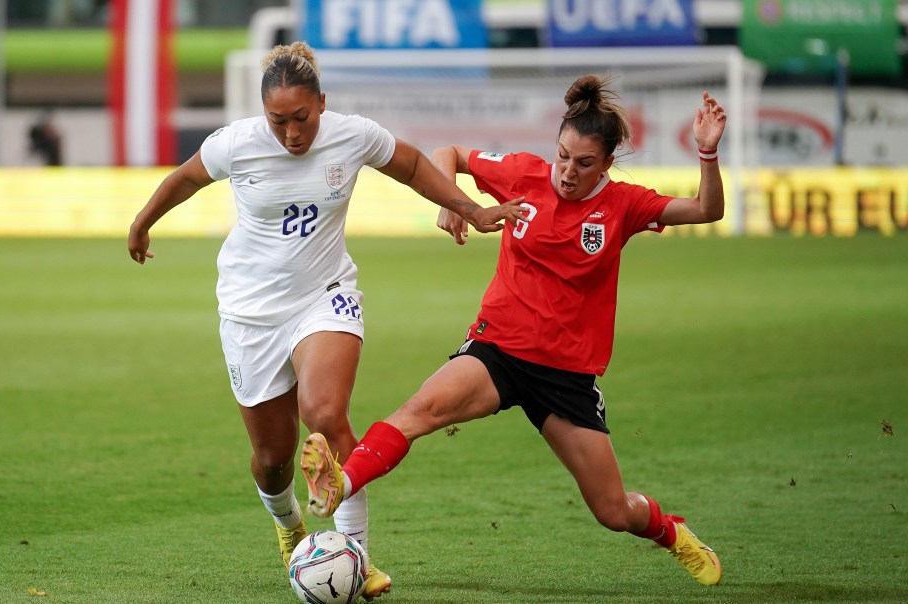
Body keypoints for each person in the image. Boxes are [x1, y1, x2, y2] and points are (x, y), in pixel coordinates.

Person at [127, 41, 525, 600]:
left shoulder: (352, 134)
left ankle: (356, 557)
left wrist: (470, 208)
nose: (291, 133)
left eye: (302, 118)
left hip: (325, 293)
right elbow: (185, 179)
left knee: (325, 414)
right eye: (278, 121)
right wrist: (143, 222)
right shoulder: (237, 143)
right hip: (250, 312)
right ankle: (290, 528)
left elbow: (410, 164)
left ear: (322, 103)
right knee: (273, 458)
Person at [300, 75, 728, 588]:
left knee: (614, 511)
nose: (568, 172)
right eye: (563, 156)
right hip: (497, 349)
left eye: (584, 163)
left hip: (566, 377)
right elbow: (449, 152)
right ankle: (340, 483)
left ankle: (671, 531)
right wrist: (453, 203)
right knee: (419, 411)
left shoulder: (624, 206)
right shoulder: (523, 174)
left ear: (607, 164)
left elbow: (707, 210)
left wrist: (706, 154)